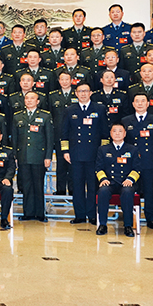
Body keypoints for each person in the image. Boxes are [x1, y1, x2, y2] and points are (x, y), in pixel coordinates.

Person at [61, 82, 109, 225]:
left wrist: (102, 152)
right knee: (77, 185)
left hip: (94, 154)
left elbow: (105, 132)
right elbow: (64, 132)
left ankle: (92, 214)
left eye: (86, 91)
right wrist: (65, 150)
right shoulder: (70, 110)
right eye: (80, 91)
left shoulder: (99, 109)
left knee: (93, 185)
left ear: (91, 93)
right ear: (76, 94)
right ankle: (80, 215)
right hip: (75, 153)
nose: (83, 94)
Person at [121, 93, 153, 229]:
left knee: (150, 191)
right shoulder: (126, 120)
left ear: (148, 104)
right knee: (129, 191)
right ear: (133, 104)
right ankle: (128, 218)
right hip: (131, 163)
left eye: (143, 101)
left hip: (149, 161)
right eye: (137, 101)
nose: (140, 104)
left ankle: (151, 218)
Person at [11, 92, 54, 221]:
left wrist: (48, 156)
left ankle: (40, 214)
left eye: (32, 98)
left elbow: (49, 138)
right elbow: (14, 138)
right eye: (27, 98)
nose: (29, 100)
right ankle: (28, 213)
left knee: (38, 185)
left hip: (39, 156)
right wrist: (15, 156)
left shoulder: (45, 116)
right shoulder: (17, 116)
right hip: (23, 156)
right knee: (26, 185)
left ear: (38, 101)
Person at [95, 123, 140, 237]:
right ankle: (102, 224)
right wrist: (103, 179)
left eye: (120, 131)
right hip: (110, 182)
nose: (117, 133)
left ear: (125, 134)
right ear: (110, 134)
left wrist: (130, 179)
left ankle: (128, 226)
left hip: (126, 182)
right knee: (103, 191)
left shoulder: (132, 149)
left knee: (127, 192)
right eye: (114, 131)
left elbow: (137, 169)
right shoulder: (103, 149)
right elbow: (98, 168)